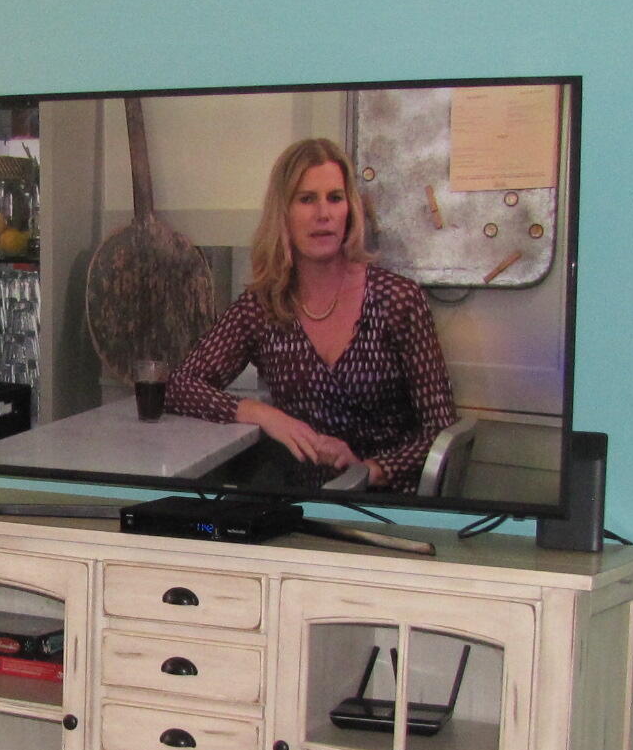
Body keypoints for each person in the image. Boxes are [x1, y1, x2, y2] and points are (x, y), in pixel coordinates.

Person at [165, 136, 455, 487]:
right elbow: (178, 386)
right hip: (302, 500)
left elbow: (440, 430)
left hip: (383, 499)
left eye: (335, 198)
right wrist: (264, 415)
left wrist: (369, 469)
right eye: (306, 200)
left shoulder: (398, 300)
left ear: (350, 210)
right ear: (283, 213)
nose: (323, 214)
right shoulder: (263, 306)